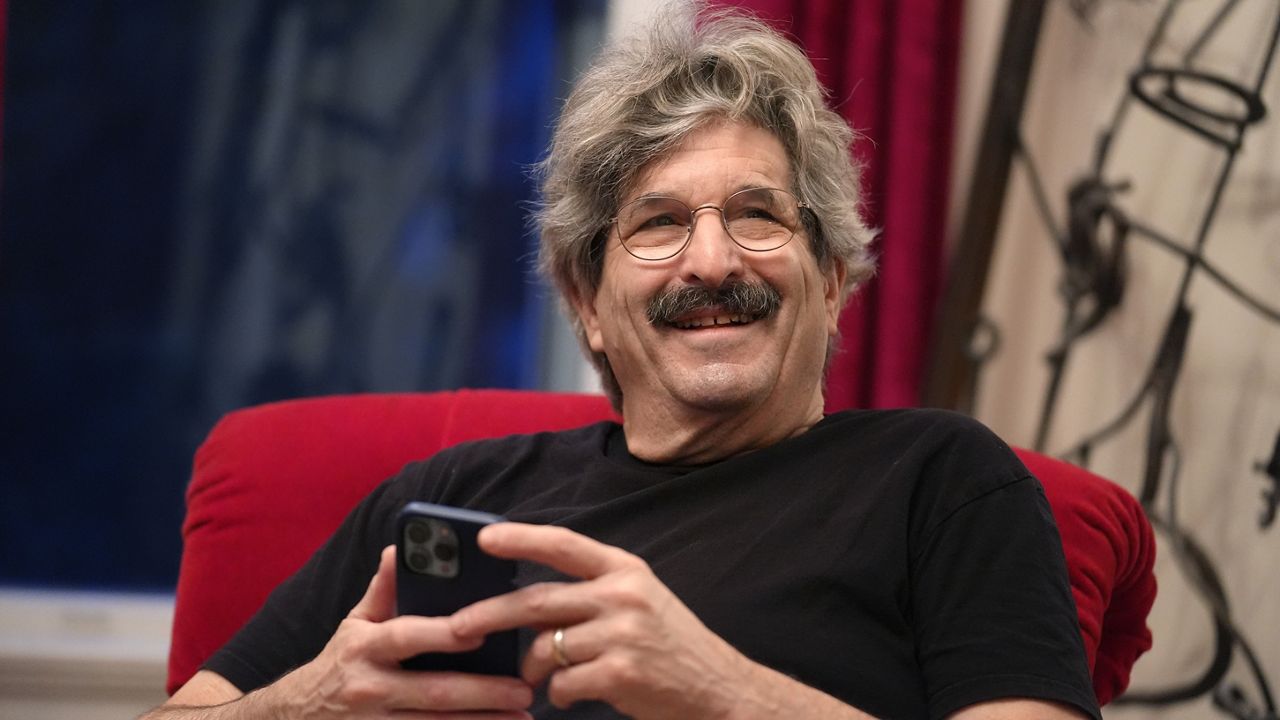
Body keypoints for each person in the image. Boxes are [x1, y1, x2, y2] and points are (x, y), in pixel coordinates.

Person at [146, 7, 1100, 720]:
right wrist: (309, 701)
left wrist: (717, 687)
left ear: (835, 280)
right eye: (659, 225)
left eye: (759, 215)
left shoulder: (940, 481)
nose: (714, 261)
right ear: (587, 305)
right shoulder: (451, 498)